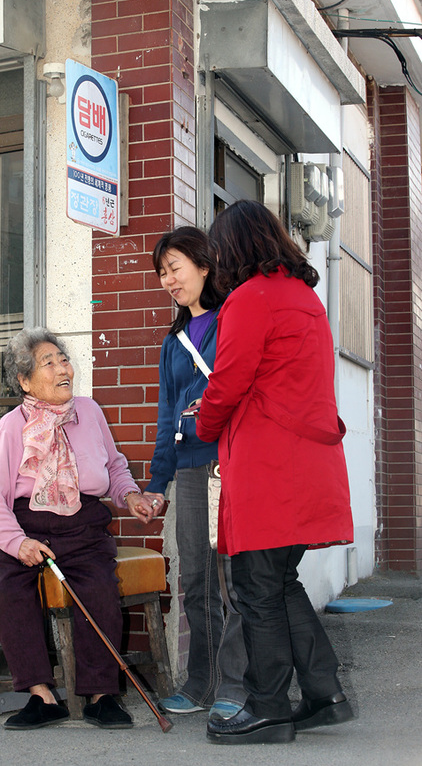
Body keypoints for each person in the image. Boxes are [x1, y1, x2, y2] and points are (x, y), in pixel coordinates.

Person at [196, 200, 354, 745]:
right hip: (306, 461)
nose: (215, 266)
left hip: (269, 465)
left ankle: (267, 707)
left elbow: (228, 382)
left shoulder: (249, 299)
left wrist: (204, 424)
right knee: (279, 582)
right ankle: (323, 693)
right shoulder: (304, 297)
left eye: (217, 254)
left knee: (256, 589)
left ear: (234, 250)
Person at [0, 327, 154, 731]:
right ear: (24, 381)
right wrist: (16, 543)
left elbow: (113, 466)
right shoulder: (11, 426)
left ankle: (100, 696)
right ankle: (41, 696)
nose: (63, 369)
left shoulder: (89, 412)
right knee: (7, 587)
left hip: (83, 524)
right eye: (48, 363)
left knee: (97, 589)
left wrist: (130, 496)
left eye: (63, 360)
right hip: (25, 525)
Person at [142, 226, 247, 719]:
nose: (168, 280)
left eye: (175, 268)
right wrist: (156, 483)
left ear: (205, 267)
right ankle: (202, 682)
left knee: (233, 577)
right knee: (197, 578)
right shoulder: (174, 340)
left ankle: (238, 686)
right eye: (162, 272)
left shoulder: (234, 320)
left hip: (230, 463)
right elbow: (166, 416)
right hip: (187, 470)